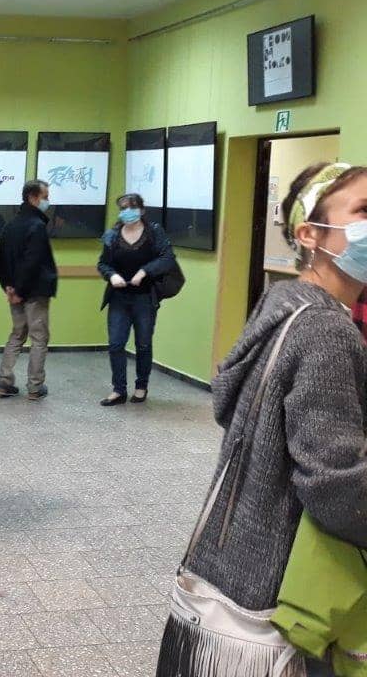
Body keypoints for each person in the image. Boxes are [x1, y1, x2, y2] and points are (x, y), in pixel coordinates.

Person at [159, 162, 367, 677]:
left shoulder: (282, 304)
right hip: (290, 591)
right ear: (309, 234)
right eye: (364, 210)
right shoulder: (326, 330)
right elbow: (335, 482)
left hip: (237, 558)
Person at [96, 193, 177, 406]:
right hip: (119, 298)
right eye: (123, 208)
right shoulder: (112, 235)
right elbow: (103, 263)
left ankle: (141, 386)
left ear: (141, 210)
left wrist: (144, 271)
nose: (127, 212)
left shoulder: (154, 232)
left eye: (131, 208)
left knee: (143, 344)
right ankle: (118, 390)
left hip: (144, 297)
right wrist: (111, 275)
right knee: (116, 344)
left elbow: (168, 258)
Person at [0, 179, 57, 400]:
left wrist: (9, 287)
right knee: (39, 337)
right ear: (32, 198)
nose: (48, 201)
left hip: (14, 289)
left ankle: (4, 382)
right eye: (45, 197)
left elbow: (0, 259)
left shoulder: (11, 224)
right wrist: (20, 290)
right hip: (34, 291)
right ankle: (35, 386)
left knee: (17, 334)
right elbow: (33, 261)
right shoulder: (37, 226)